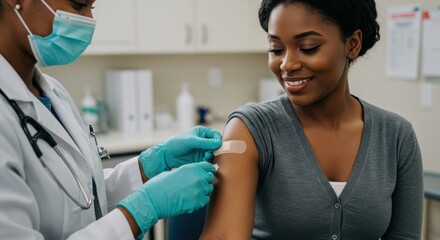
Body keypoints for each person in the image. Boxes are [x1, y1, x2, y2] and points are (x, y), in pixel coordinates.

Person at [200, 0, 424, 239]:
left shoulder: (396, 136)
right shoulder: (251, 130)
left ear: (353, 44)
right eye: (276, 49)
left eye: (308, 47)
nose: (287, 64)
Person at [0, 0, 222, 239]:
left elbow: (82, 196)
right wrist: (142, 209)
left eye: (92, 7)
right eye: (78, 4)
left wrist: (150, 165)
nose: (88, 19)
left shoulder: (53, 92)